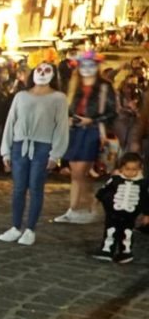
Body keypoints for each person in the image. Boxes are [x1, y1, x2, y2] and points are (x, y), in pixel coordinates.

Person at [0, 60, 69, 246]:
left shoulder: (59, 98)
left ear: (53, 75)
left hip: (42, 147)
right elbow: (10, 122)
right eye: (39, 69)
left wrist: (55, 154)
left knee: (36, 188)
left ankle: (30, 229)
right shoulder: (21, 96)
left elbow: (61, 127)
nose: (43, 73)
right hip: (20, 145)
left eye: (47, 70)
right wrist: (5, 151)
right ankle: (15, 227)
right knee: (19, 188)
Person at [54, 51, 117, 224]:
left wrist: (92, 120)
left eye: (91, 65)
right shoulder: (74, 85)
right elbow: (68, 107)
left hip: (93, 131)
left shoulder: (105, 86)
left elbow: (112, 112)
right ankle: (80, 207)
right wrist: (67, 118)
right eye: (84, 65)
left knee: (80, 172)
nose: (87, 68)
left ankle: (83, 206)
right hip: (74, 131)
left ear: (96, 67)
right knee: (77, 174)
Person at [93, 152, 147, 264]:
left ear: (140, 168)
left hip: (130, 215)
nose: (131, 172)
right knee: (110, 231)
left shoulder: (143, 184)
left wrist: (147, 214)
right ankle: (107, 250)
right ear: (122, 168)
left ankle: (125, 253)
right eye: (128, 169)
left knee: (127, 233)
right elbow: (104, 189)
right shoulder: (115, 179)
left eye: (134, 169)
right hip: (113, 213)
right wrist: (96, 200)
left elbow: (147, 199)